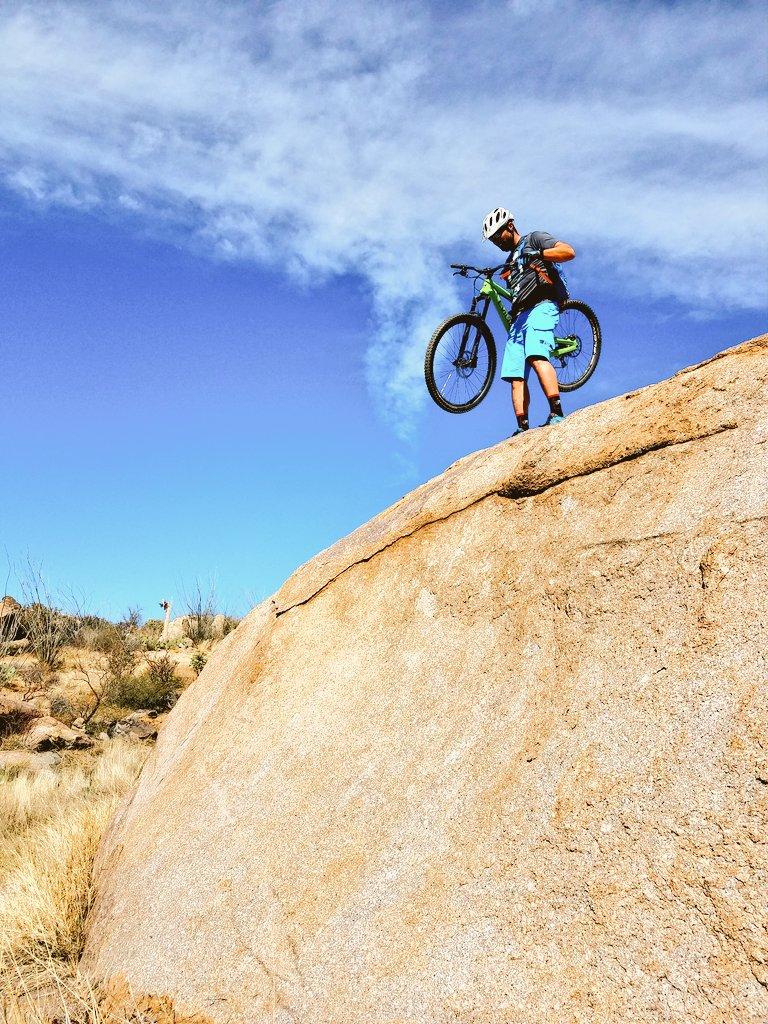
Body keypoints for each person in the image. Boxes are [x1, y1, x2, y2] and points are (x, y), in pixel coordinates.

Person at [482, 207, 575, 434]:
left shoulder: (534, 239)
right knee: (515, 374)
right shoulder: (509, 263)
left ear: (510, 226)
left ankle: (557, 412)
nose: (496, 242)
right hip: (519, 317)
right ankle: (523, 428)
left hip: (542, 305)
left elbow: (568, 251)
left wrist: (539, 254)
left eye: (498, 236)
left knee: (535, 355)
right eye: (492, 240)